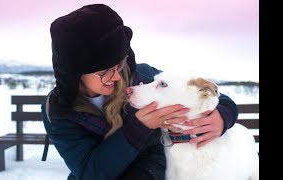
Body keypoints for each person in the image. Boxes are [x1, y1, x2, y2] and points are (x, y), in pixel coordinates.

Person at [41, 3, 238, 180]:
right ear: (75, 73)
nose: (117, 77)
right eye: (104, 72)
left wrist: (223, 115)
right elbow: (90, 172)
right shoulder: (59, 111)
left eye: (118, 65)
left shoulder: (141, 76)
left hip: (154, 169)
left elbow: (198, 92)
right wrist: (140, 126)